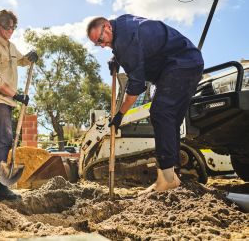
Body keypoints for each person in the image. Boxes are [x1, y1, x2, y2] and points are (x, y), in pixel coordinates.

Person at [87, 14, 204, 192]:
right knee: (169, 120)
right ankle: (172, 176)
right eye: (98, 44)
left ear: (107, 27)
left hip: (181, 64)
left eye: (101, 39)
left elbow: (136, 87)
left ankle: (166, 179)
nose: (102, 45)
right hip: (185, 64)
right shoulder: (123, 24)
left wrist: (120, 114)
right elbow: (137, 46)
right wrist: (116, 58)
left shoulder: (125, 42)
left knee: (160, 113)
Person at [0, 10, 38, 200]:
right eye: (6, 27)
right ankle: (1, 188)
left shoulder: (11, 47)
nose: (10, 31)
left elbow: (21, 61)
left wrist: (30, 57)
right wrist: (17, 95)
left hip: (6, 101)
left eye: (13, 27)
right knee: (5, 137)